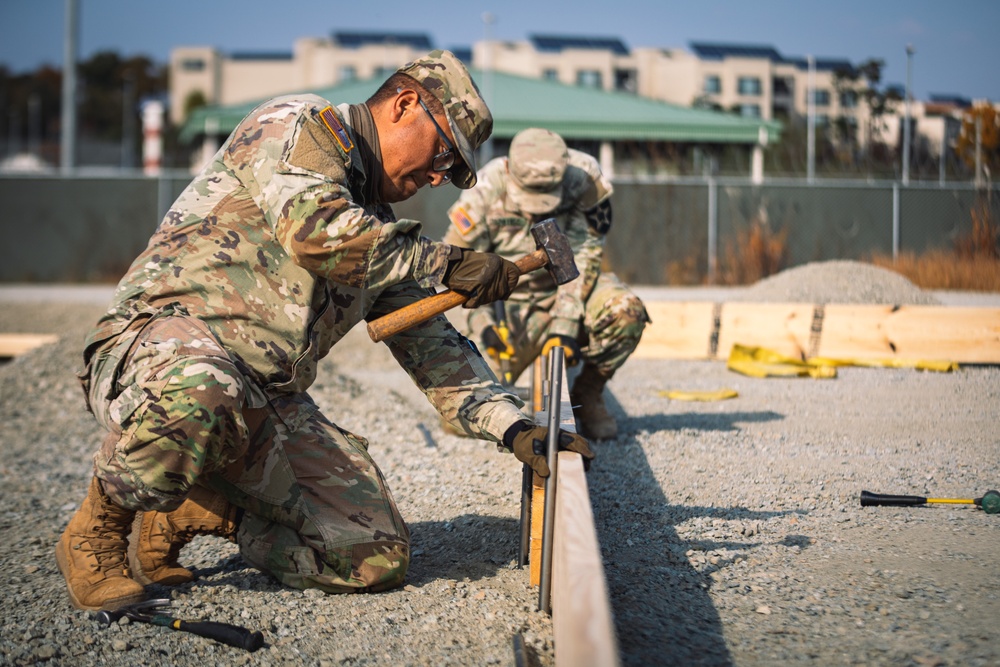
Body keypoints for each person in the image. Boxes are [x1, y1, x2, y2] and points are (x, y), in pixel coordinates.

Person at [56, 50, 593, 612]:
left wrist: (513, 427)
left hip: (260, 397)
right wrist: (447, 262)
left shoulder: (383, 237)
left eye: (453, 171)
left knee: (371, 555)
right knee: (203, 390)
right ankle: (97, 533)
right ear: (404, 104)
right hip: (156, 352)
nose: (439, 177)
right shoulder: (298, 124)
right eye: (442, 153)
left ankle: (210, 509)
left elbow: (436, 350)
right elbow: (314, 230)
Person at [443, 128, 649, 441]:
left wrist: (565, 326)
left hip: (572, 292)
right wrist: (482, 324)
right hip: (511, 309)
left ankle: (588, 395)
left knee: (625, 312)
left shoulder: (584, 181)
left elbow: (584, 257)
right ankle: (494, 384)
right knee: (463, 417)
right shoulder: (483, 192)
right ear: (509, 170)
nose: (537, 210)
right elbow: (459, 273)